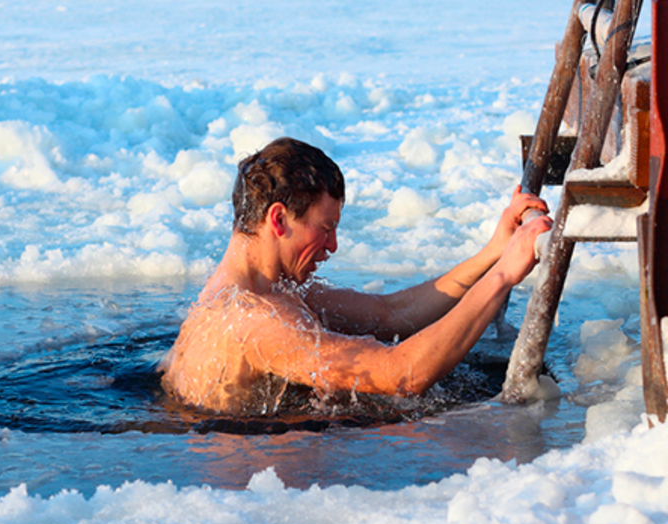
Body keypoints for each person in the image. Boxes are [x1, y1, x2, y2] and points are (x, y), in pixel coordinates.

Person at [158, 137, 552, 415]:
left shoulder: (261, 291)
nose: (332, 246)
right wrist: (502, 276)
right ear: (278, 219)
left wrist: (493, 252)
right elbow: (402, 375)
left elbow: (389, 314)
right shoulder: (257, 322)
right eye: (325, 228)